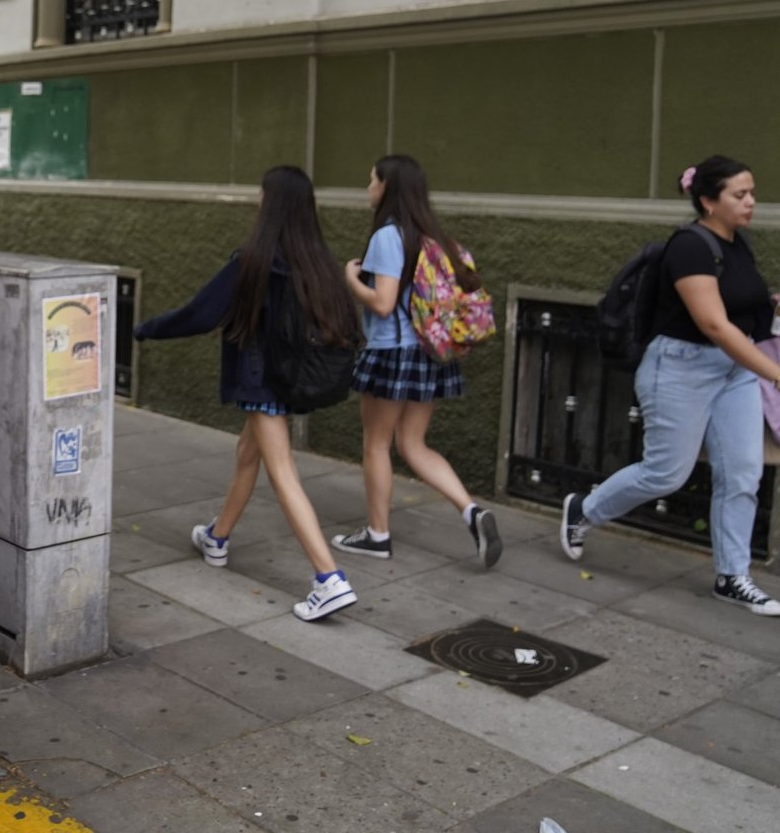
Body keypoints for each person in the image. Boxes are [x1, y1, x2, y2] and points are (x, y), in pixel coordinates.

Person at [561, 156, 780, 617]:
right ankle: (584, 509)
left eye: (752, 193)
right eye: (739, 195)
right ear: (707, 201)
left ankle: (733, 576)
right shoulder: (689, 247)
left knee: (744, 472)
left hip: (735, 371)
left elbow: (739, 313)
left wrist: (777, 306)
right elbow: (713, 324)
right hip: (682, 367)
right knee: (666, 472)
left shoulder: (738, 244)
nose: (750, 203)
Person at [134, 166, 363, 621]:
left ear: (269, 203)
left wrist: (144, 330)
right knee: (247, 454)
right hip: (290, 378)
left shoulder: (255, 262)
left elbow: (201, 313)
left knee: (283, 474)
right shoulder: (316, 263)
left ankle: (328, 578)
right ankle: (217, 539)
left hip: (262, 381)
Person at [337, 154, 503, 567]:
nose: (368, 188)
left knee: (376, 443)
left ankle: (377, 535)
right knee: (413, 443)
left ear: (387, 188)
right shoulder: (438, 238)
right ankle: (471, 511)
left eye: (371, 180)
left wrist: (351, 280)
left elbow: (383, 303)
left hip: (392, 351)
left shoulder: (388, 237)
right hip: (429, 352)